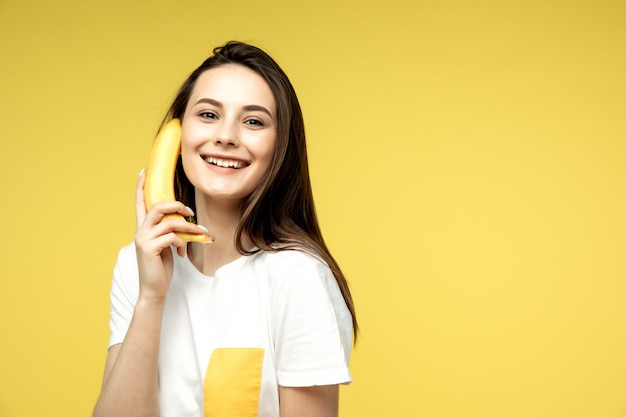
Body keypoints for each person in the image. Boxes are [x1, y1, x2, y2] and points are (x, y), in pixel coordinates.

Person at [92, 41, 357, 417]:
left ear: (279, 146)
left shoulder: (297, 277)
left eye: (253, 121)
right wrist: (151, 297)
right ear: (177, 135)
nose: (227, 136)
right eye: (208, 115)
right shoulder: (135, 266)